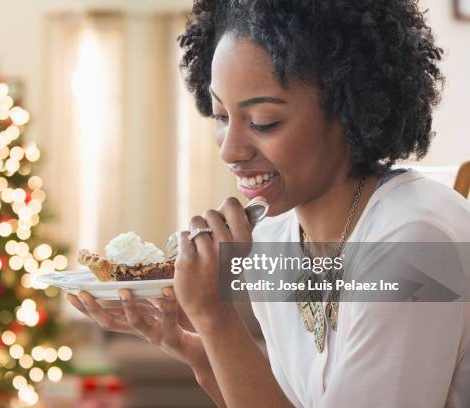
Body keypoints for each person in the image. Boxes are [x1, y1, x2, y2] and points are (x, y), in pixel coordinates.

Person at [67, 0, 470, 406]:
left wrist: (217, 319)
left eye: (263, 121)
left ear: (349, 111)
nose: (230, 150)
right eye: (221, 115)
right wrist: (202, 353)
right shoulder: (277, 239)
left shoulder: (416, 246)